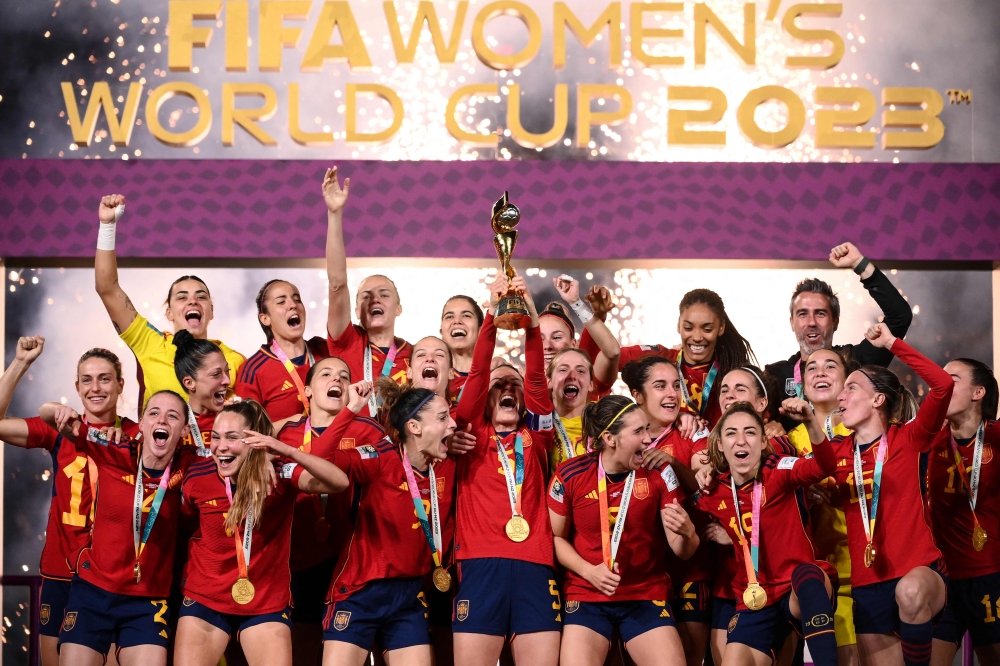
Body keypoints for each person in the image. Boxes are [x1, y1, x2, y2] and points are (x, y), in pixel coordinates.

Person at [173, 400, 349, 666]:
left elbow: (339, 482)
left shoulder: (279, 475)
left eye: (232, 438)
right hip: (205, 599)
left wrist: (284, 449)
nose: (221, 447)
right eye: (216, 437)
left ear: (255, 441)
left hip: (265, 602)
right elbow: (185, 520)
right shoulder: (197, 475)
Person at [0, 339, 139, 666]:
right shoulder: (59, 430)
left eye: (105, 378)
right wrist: (21, 362)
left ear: (121, 384)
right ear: (76, 387)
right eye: (87, 380)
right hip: (63, 574)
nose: (96, 387)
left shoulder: (137, 436)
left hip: (115, 577)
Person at [826, 324, 952, 666]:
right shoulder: (837, 454)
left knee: (909, 593)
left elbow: (943, 385)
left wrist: (893, 344)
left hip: (918, 572)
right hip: (867, 585)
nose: (841, 396)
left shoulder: (908, 438)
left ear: (878, 399)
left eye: (852, 387)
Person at [451, 273, 560, 666]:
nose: (508, 389)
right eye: (499, 386)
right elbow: (478, 376)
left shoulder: (538, 436)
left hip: (535, 564)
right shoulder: (469, 432)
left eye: (512, 385)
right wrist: (492, 313)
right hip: (480, 564)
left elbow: (534, 376)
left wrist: (528, 313)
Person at [548, 395, 699, 666]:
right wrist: (589, 571)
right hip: (587, 594)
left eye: (647, 429)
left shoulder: (659, 472)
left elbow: (682, 550)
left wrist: (689, 533)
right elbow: (556, 538)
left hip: (644, 594)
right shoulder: (570, 474)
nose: (648, 439)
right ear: (610, 438)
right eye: (638, 431)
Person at [47, 390, 194, 666]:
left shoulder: (191, 465)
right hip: (93, 592)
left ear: (184, 429)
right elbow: (48, 414)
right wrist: (59, 410)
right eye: (154, 413)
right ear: (141, 424)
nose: (161, 420)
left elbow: (236, 455)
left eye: (172, 416)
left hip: (147, 600)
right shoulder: (113, 448)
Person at [316, 378, 457, 666]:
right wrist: (352, 409)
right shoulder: (380, 457)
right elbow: (320, 457)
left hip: (409, 595)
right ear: (414, 427)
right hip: (360, 589)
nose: (453, 424)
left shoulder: (446, 466)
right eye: (443, 418)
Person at [694, 401, 839, 666]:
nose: (741, 440)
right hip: (754, 597)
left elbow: (824, 466)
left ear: (762, 442)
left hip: (798, 591)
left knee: (807, 576)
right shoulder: (712, 492)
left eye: (750, 432)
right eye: (731, 433)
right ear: (719, 445)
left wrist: (809, 422)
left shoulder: (780, 469)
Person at [275, 361, 384, 666]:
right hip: (300, 558)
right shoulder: (288, 433)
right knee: (304, 647)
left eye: (344, 376)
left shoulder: (368, 430)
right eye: (326, 374)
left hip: (352, 559)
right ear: (306, 390)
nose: (336, 378)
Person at [93, 194, 244, 409]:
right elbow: (107, 288)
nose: (193, 302)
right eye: (182, 297)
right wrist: (107, 226)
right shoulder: (150, 343)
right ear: (169, 313)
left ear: (211, 311)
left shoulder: (235, 360)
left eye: (201, 297)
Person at [766, 242, 913, 430]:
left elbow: (900, 317)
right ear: (792, 323)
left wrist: (860, 264)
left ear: (835, 322)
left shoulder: (856, 362)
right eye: (802, 314)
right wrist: (770, 427)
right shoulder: (775, 376)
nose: (811, 322)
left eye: (820, 313)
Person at [622, 356, 710, 666]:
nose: (672, 393)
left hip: (687, 568)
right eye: (660, 386)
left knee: (688, 656)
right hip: (636, 571)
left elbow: (702, 481)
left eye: (676, 385)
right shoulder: (620, 436)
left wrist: (673, 463)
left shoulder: (694, 433)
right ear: (638, 395)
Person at [784, 349, 858, 666]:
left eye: (830, 366)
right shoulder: (788, 440)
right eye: (811, 368)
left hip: (865, 571)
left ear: (846, 380)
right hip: (814, 579)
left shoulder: (865, 429)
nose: (820, 372)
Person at [598, 289, 757, 430]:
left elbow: (761, 412)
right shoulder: (659, 359)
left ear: (721, 328)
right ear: (678, 325)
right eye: (688, 328)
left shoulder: (733, 372)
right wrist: (597, 316)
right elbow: (599, 357)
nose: (696, 337)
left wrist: (773, 424)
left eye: (707, 329)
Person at [928, 359, 1000, 666]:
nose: (941, 385)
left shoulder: (998, 436)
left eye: (952, 380)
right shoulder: (927, 442)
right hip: (941, 579)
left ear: (978, 392)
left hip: (992, 577)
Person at [322, 166, 411, 417]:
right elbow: (337, 285)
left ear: (399, 308)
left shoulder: (416, 354)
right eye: (366, 296)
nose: (375, 299)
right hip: (355, 449)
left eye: (384, 293)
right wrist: (335, 214)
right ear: (356, 310)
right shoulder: (347, 341)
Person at [546, 276, 621, 469]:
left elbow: (610, 352)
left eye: (557, 337)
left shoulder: (586, 379)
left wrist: (577, 304)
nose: (547, 346)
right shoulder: (527, 400)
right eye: (538, 338)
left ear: (574, 344)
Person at [235, 279, 329, 424]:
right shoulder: (252, 370)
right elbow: (247, 433)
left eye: (297, 299)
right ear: (265, 318)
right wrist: (292, 424)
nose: (293, 305)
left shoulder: (324, 350)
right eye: (281, 302)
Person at [173, 331, 232, 452]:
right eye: (216, 374)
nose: (227, 381)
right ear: (190, 383)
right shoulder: (173, 425)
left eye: (227, 371)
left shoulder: (237, 419)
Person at [440, 296, 484, 405]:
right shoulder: (431, 376)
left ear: (481, 329)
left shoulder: (495, 376)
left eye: (466, 316)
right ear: (441, 332)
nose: (457, 321)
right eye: (449, 316)